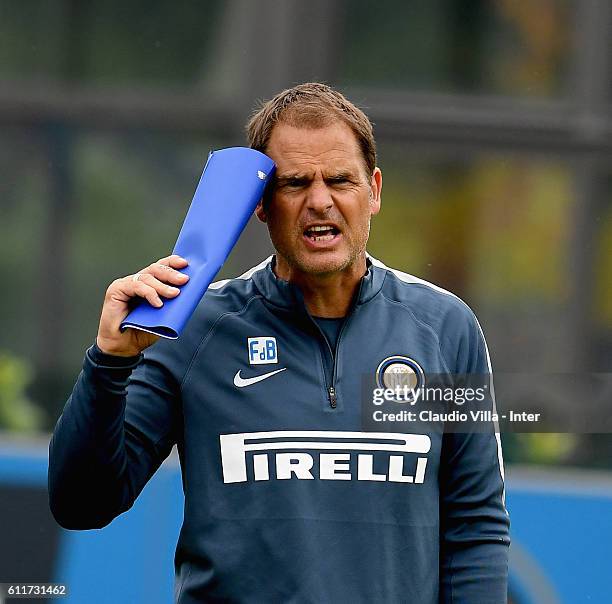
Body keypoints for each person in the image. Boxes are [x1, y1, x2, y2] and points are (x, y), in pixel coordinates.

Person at [49, 82, 510, 603]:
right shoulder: (193, 329)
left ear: (374, 190)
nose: (320, 201)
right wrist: (110, 362)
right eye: (294, 184)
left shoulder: (445, 329)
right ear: (261, 205)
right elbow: (81, 504)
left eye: (340, 180)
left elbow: (475, 526)